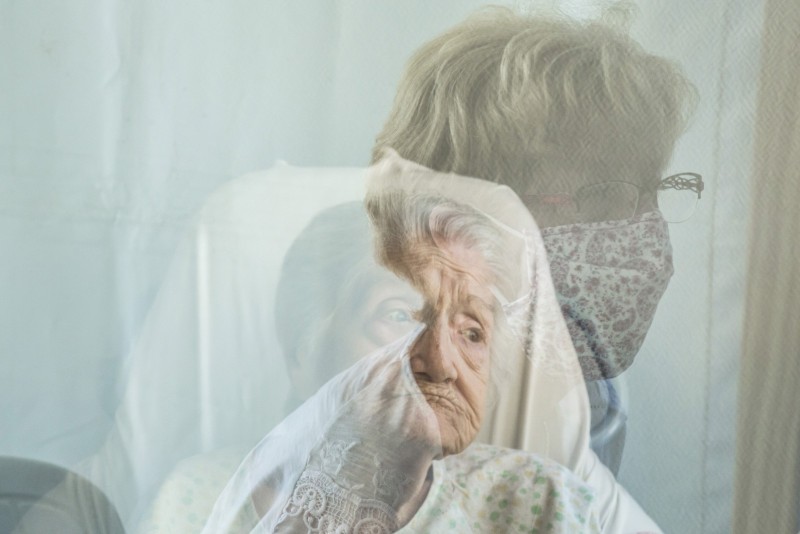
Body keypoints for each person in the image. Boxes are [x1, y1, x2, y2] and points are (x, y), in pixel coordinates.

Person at [140, 164, 608, 533]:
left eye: (471, 332)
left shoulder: (540, 506)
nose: (441, 364)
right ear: (303, 350)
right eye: (398, 315)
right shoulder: (199, 500)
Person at [371, 5, 697, 474]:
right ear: (475, 209)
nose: (645, 231)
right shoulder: (408, 417)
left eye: (651, 191)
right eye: (607, 194)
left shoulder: (588, 399)